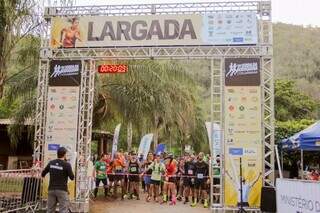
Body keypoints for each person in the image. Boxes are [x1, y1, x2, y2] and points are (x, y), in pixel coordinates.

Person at [41, 147, 74, 213]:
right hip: (62, 190)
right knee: (63, 210)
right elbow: (72, 177)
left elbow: (43, 173)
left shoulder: (51, 163)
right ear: (64, 155)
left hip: (51, 189)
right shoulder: (67, 164)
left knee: (50, 210)